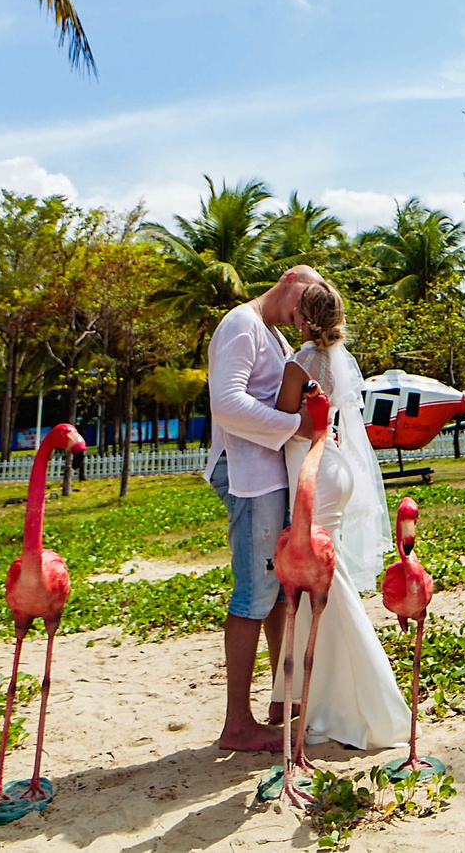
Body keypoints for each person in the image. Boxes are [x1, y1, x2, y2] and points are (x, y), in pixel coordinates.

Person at [266, 277, 408, 750]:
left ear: (303, 319)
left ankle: (373, 700)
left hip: (315, 474)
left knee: (328, 585)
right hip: (340, 469)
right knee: (319, 585)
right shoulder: (340, 360)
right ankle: (321, 700)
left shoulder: (299, 364)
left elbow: (287, 424)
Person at [206, 265, 317, 752]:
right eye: (303, 304)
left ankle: (280, 698)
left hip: (268, 476)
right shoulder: (241, 324)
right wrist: (294, 427)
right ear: (289, 280)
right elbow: (226, 403)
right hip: (248, 478)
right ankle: (236, 723)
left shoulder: (273, 335)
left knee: (275, 591)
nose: (303, 318)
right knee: (254, 592)